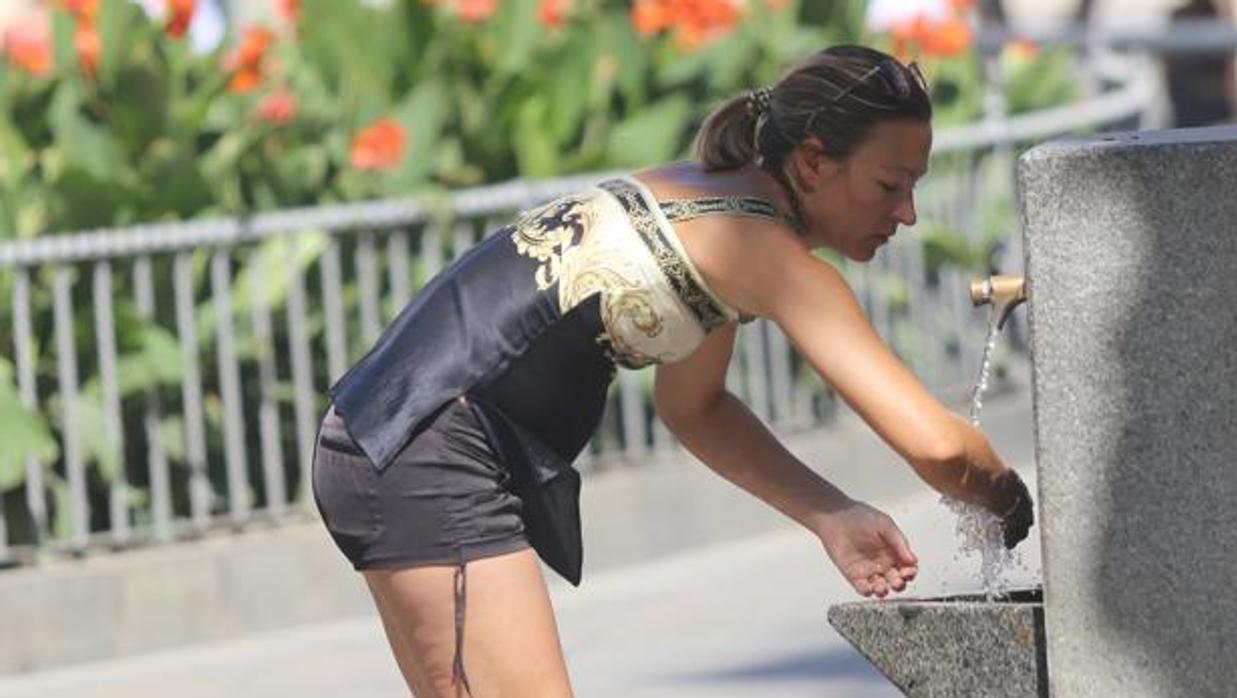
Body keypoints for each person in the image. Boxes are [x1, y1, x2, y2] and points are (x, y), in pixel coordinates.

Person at [310, 43, 1034, 698]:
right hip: (428, 446)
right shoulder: (766, 252)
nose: (907, 212)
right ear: (813, 163)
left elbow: (697, 407)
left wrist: (829, 514)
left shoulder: (717, 202)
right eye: (889, 185)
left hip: (389, 436)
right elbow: (938, 447)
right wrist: (1012, 498)